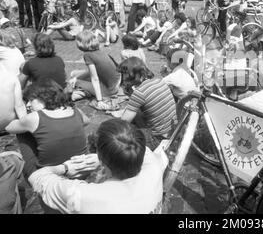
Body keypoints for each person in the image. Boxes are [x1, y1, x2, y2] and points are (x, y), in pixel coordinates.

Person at [28, 119, 168, 214]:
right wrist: (101, 159)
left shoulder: (84, 196)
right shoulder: (154, 168)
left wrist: (65, 168)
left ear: (101, 157)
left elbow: (37, 177)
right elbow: (143, 151)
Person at [6, 78, 88, 179]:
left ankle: (30, 174)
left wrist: (24, 120)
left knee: (21, 131)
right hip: (80, 171)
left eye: (31, 100)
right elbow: (86, 121)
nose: (28, 105)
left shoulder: (35, 117)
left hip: (47, 176)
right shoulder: (77, 111)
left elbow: (9, 128)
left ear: (43, 98)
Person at [114, 57, 177, 138]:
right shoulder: (159, 81)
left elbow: (123, 122)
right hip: (173, 129)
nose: (122, 78)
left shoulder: (139, 93)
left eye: (123, 74)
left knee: (122, 132)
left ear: (129, 75)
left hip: (159, 137)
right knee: (136, 114)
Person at [69, 31, 121, 105]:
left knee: (75, 82)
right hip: (117, 84)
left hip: (109, 90)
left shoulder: (87, 55)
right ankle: (84, 91)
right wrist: (76, 77)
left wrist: (99, 101)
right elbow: (91, 72)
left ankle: (81, 93)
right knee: (74, 74)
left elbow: (95, 78)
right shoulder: (100, 50)